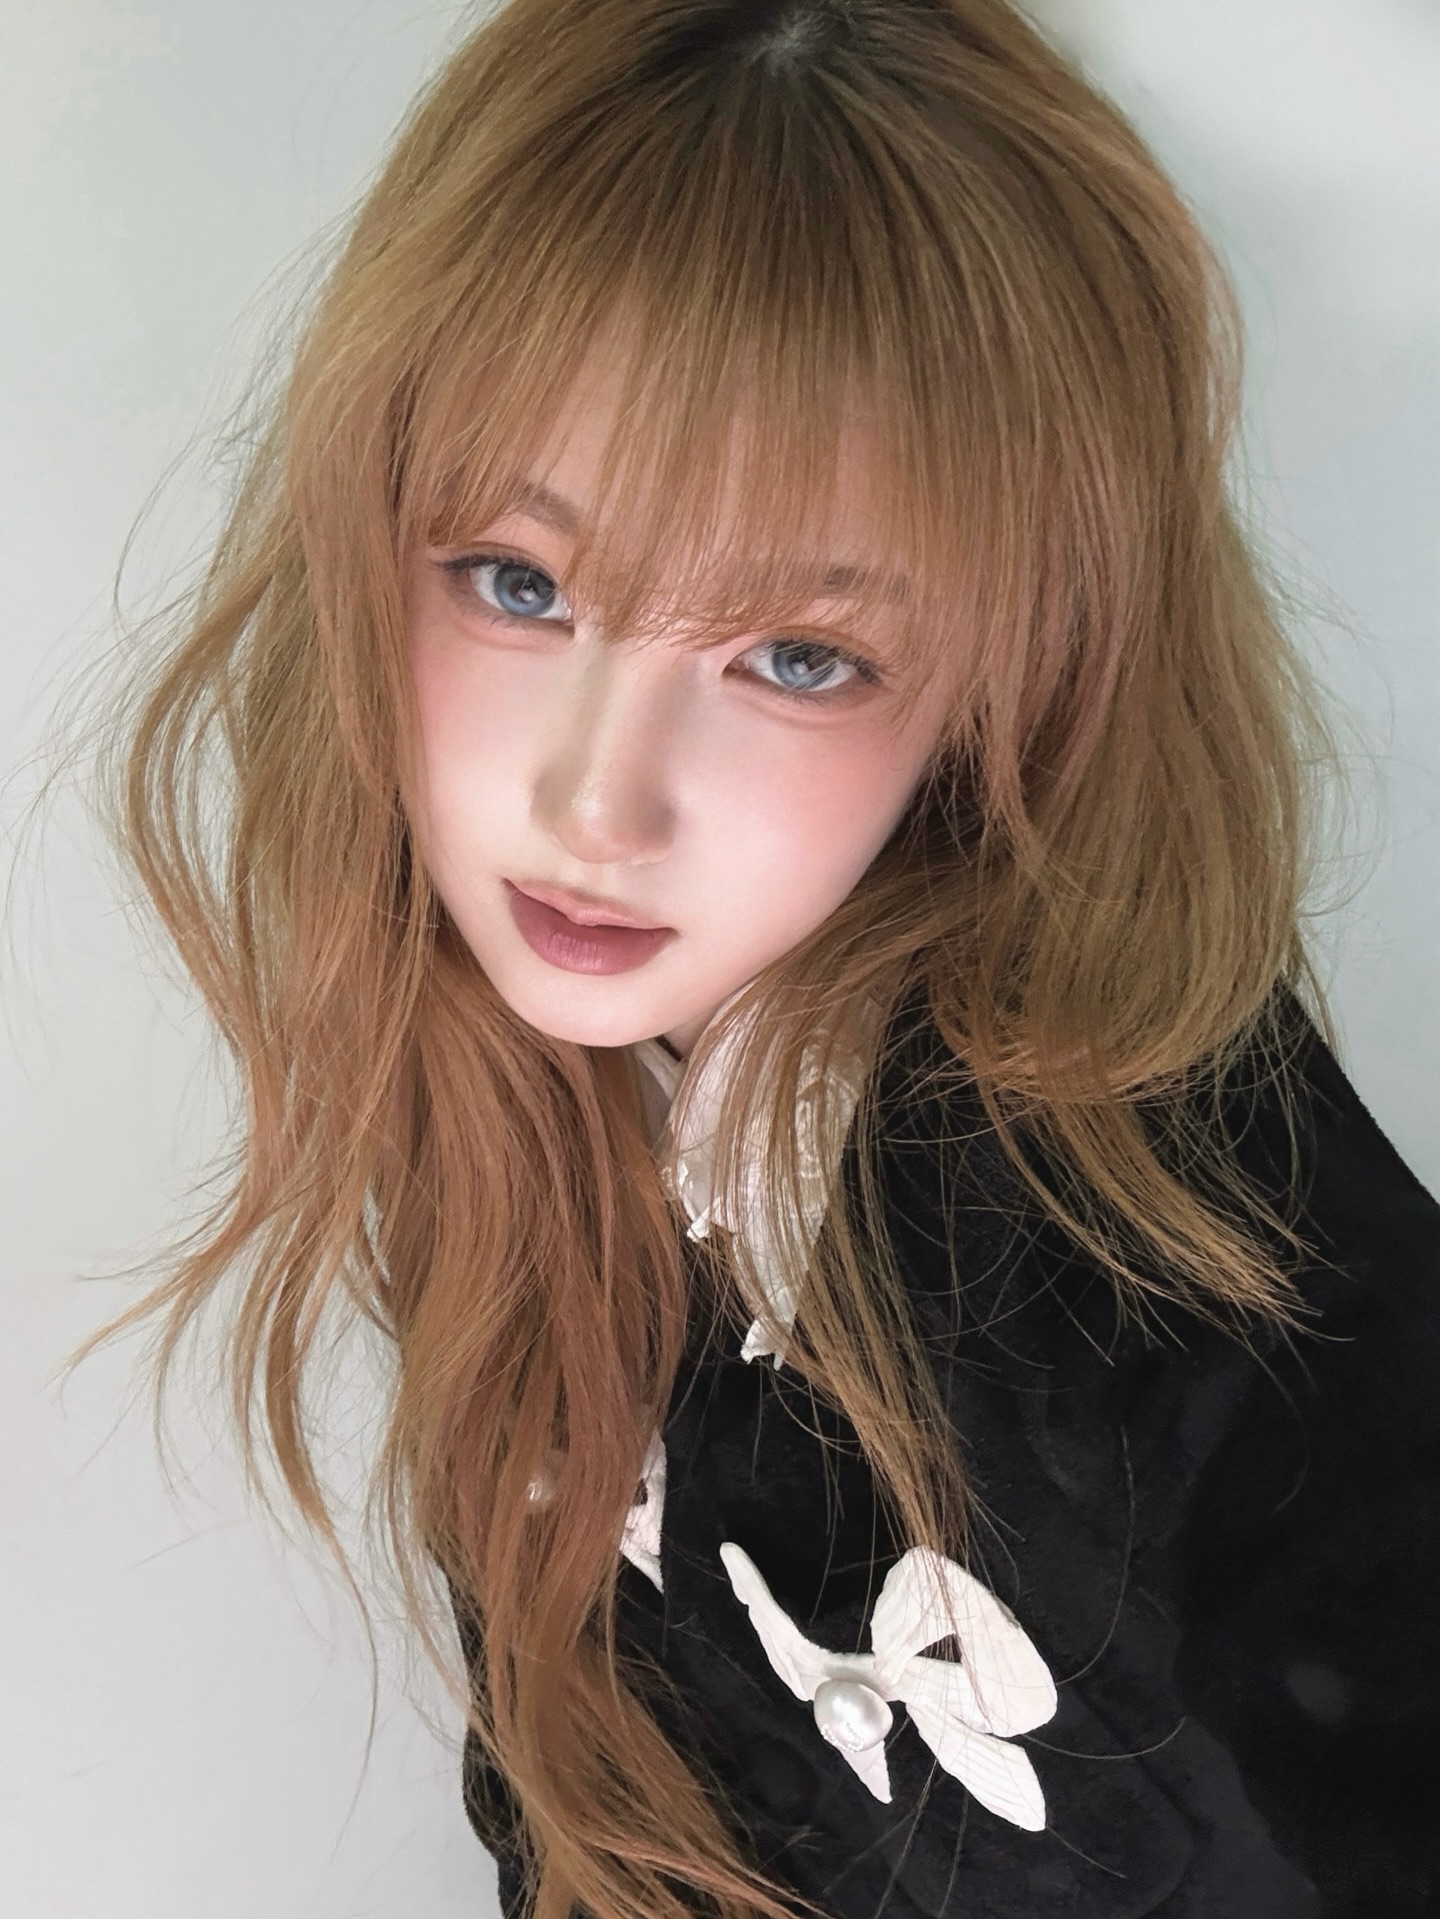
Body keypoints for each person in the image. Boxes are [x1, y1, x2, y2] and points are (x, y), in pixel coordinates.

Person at [76, 0, 1439, 1914]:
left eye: (798, 657)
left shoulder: (1226, 1342)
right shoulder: (524, 1063)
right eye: (521, 584)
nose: (595, 806)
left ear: (1017, 689)